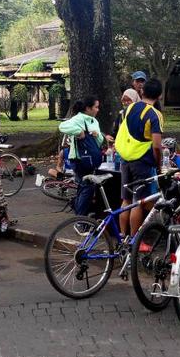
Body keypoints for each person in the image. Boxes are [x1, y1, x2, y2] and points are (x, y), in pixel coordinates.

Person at [115, 78, 164, 238]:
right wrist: (159, 164)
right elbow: (157, 145)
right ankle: (134, 241)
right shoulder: (155, 114)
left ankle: (123, 235)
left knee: (126, 199)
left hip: (124, 158)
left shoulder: (129, 109)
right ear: (160, 95)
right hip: (141, 161)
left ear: (142, 92)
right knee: (138, 200)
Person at [59, 96, 103, 216]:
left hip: (90, 160)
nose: (98, 110)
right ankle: (80, 221)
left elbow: (99, 141)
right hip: (79, 160)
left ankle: (78, 214)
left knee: (84, 188)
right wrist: (80, 132)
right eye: (96, 107)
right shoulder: (78, 118)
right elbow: (62, 126)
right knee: (87, 189)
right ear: (88, 108)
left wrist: (96, 135)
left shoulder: (94, 121)